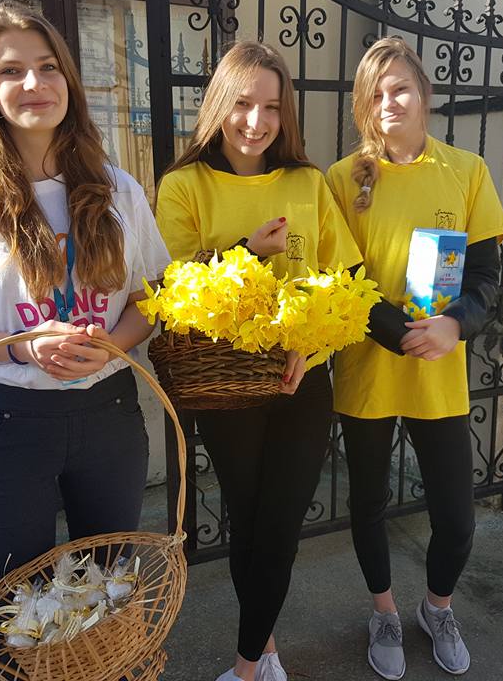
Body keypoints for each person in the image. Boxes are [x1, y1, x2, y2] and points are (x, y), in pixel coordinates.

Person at [0, 1, 170, 591]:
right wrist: (24, 347)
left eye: (48, 67)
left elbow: (151, 297)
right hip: (10, 422)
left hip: (110, 413)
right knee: (21, 605)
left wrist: (110, 345)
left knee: (109, 591)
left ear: (68, 79)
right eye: (11, 70)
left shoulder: (116, 188)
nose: (34, 84)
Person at [156, 41, 363, 681]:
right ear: (219, 104)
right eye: (242, 103)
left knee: (280, 524)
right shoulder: (183, 186)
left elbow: (345, 281)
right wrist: (246, 250)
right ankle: (263, 650)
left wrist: (312, 344)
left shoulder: (308, 183)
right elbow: (172, 290)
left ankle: (245, 667)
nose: (256, 121)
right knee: (247, 520)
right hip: (226, 383)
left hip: (302, 380)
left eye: (271, 107)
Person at [325, 37, 503, 679]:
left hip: (439, 373)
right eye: (374, 94)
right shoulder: (342, 180)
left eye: (399, 88)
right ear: (362, 105)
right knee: (369, 505)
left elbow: (485, 276)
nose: (389, 103)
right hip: (370, 371)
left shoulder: (467, 171)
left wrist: (455, 325)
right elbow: (343, 279)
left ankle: (437, 608)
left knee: (456, 518)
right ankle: (383, 612)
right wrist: (399, 332)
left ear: (424, 93)